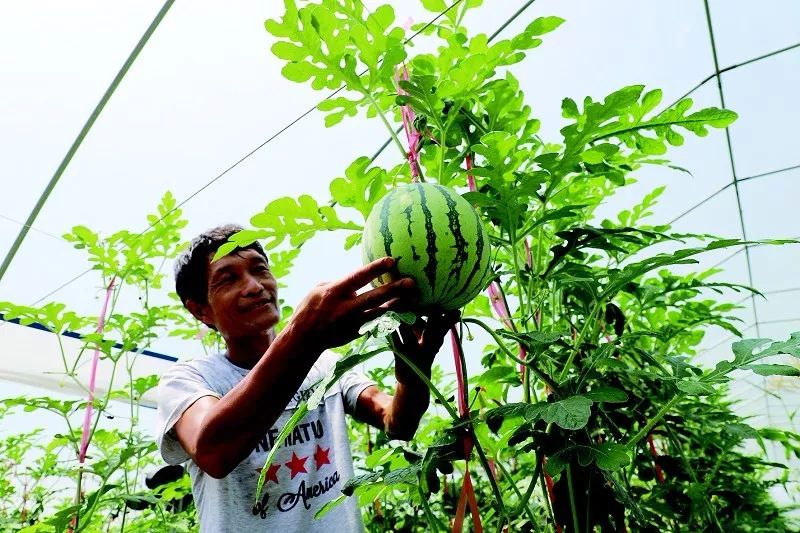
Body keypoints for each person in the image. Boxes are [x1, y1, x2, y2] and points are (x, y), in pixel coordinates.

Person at [155, 225, 456, 532]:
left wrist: (412, 375)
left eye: (260, 270)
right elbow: (213, 451)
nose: (254, 286)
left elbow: (396, 421)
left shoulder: (325, 365)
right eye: (228, 279)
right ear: (201, 311)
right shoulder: (189, 379)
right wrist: (303, 335)